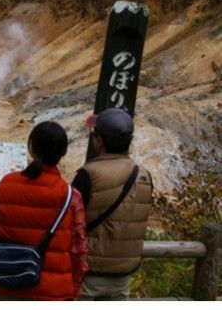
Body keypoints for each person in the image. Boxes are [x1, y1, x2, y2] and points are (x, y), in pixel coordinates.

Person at [0, 121, 89, 301]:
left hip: (5, 282)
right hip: (51, 291)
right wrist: (77, 287)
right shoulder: (72, 195)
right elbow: (78, 248)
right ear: (62, 153)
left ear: (31, 147)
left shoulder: (9, 182)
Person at [72, 108, 153, 300]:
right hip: (123, 275)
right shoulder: (144, 176)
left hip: (88, 273)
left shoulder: (88, 175)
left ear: (99, 141)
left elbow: (70, 220)